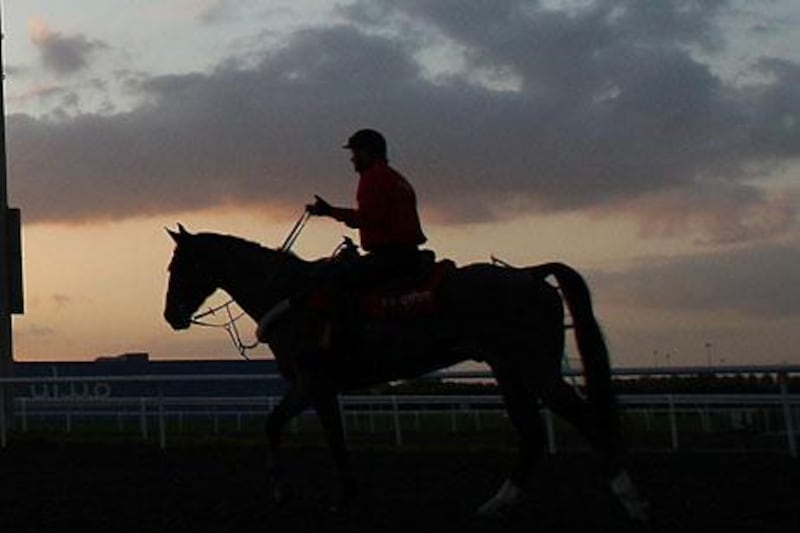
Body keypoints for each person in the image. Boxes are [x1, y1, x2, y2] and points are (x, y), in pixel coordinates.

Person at [307, 128, 427, 288]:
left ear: (366, 153)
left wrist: (329, 211)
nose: (352, 159)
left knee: (335, 281)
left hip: (390, 257)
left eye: (355, 153)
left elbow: (367, 218)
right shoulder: (397, 178)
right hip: (409, 254)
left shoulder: (374, 177)